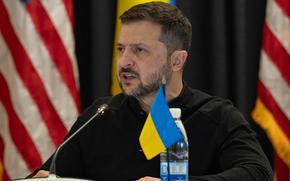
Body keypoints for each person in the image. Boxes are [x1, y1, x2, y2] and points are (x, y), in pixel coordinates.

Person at [31, 2, 273, 181]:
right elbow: (52, 172)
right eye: (121, 48)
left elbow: (257, 172)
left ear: (177, 61)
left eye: (139, 50)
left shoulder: (216, 115)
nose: (124, 61)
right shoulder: (100, 115)